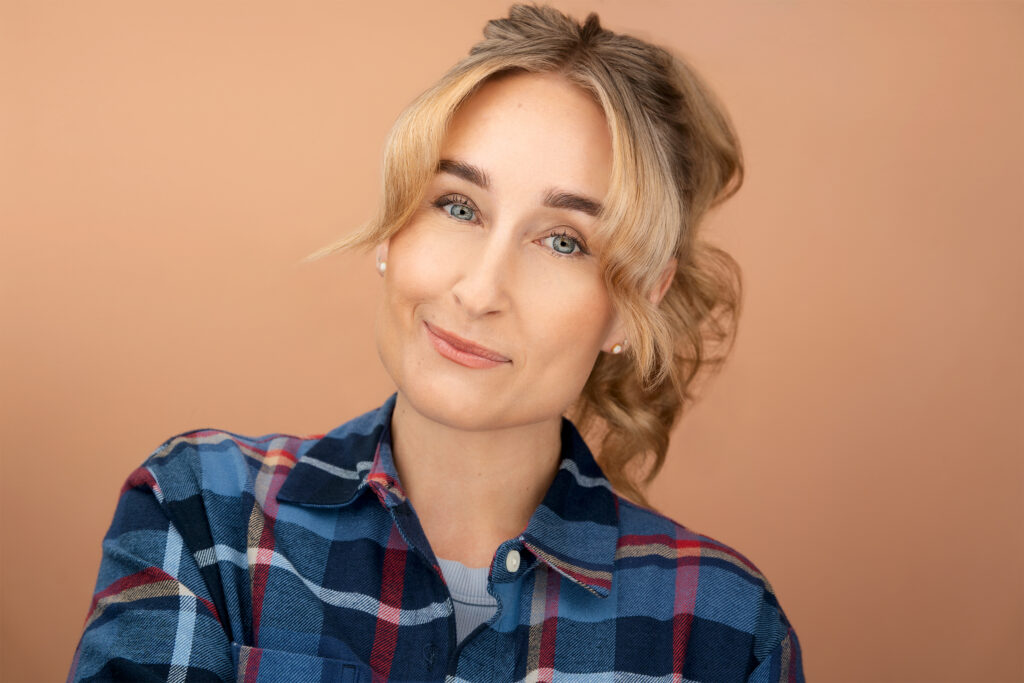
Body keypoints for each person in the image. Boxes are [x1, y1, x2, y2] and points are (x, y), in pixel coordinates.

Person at [68, 5, 804, 681]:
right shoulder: (201, 513)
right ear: (393, 227)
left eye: (563, 241)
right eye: (458, 205)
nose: (480, 291)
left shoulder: (724, 629)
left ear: (634, 302)